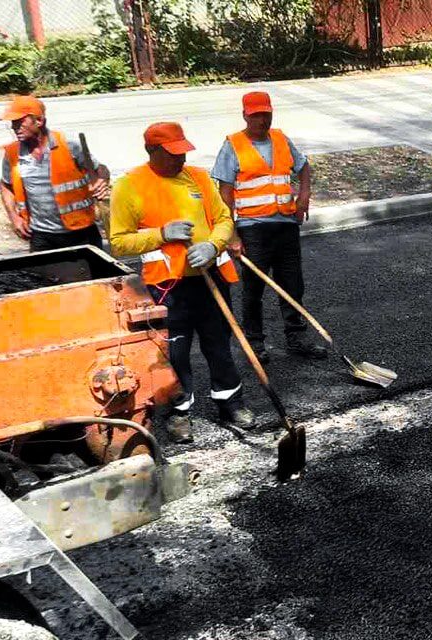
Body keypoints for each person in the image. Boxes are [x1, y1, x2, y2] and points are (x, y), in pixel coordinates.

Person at [109, 122, 254, 443]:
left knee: (219, 345)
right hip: (168, 288)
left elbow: (223, 219)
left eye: (183, 152)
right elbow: (119, 242)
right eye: (173, 154)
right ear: (152, 151)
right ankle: (178, 412)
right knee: (175, 353)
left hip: (211, 280)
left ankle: (230, 403)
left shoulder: (198, 177)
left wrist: (213, 245)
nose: (181, 159)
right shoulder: (129, 186)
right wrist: (161, 234)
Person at [212, 91, 326, 362]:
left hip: (286, 224)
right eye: (256, 115)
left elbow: (304, 167)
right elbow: (224, 194)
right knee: (254, 289)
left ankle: (296, 337)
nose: (262, 120)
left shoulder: (280, 138)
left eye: (266, 114)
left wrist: (304, 196)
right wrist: (232, 235)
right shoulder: (233, 145)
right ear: (245, 115)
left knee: (292, 284)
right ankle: (255, 342)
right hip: (253, 228)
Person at [0, 95, 111, 252]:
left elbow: (100, 169)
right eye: (13, 123)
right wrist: (14, 217)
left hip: (81, 232)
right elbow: (6, 185)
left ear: (39, 121)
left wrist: (102, 180)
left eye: (19, 122)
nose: (14, 127)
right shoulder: (12, 153)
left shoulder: (69, 145)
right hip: (40, 236)